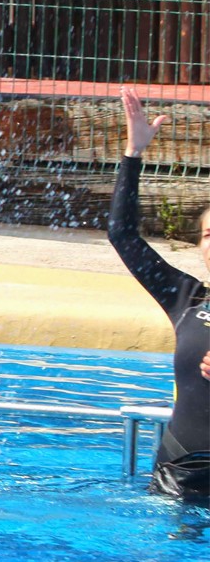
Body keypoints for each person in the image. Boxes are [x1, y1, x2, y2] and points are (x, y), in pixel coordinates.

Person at [108, 87, 210, 499]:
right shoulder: (188, 299)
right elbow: (123, 236)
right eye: (208, 234)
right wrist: (133, 154)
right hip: (179, 473)